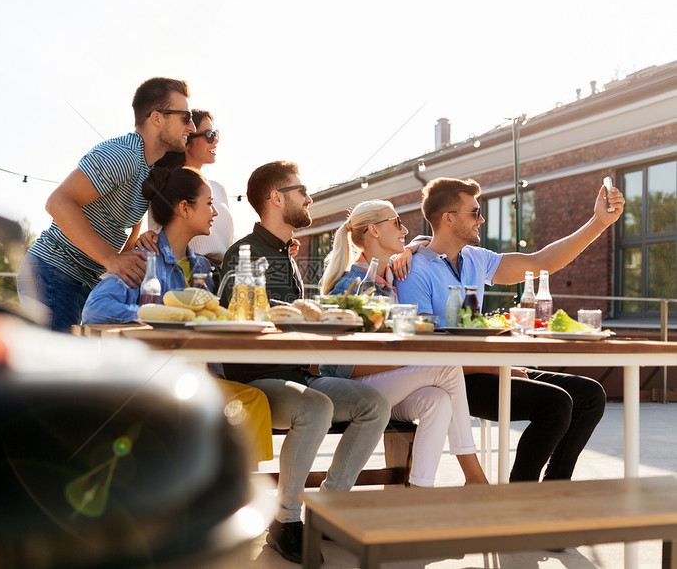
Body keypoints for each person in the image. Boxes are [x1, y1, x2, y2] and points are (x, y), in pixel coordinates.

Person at [396, 177, 625, 482]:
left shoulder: (476, 258)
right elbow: (425, 353)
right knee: (555, 405)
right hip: (455, 380)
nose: (482, 219)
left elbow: (541, 262)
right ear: (448, 219)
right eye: (474, 212)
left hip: (487, 369)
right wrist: (494, 368)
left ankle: (555, 488)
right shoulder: (413, 271)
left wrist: (599, 222)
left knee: (590, 394)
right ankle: (519, 495)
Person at [219, 161, 392, 564]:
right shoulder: (244, 253)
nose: (309, 198)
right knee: (316, 408)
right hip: (256, 381)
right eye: (302, 191)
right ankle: (287, 521)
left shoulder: (285, 255)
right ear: (275, 198)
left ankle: (328, 511)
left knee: (374, 404)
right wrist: (303, 310)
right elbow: (239, 315)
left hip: (297, 375)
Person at [81, 165, 273, 465]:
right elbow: (95, 308)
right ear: (184, 208)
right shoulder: (145, 258)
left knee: (253, 401)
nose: (215, 212)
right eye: (208, 203)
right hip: (151, 379)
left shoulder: (202, 268)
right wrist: (159, 314)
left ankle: (237, 491)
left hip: (196, 375)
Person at [318, 200, 488, 487]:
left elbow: (425, 241)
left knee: (438, 400)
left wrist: (411, 247)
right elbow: (337, 366)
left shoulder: (389, 280)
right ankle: (474, 477)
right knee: (446, 365)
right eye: (396, 223)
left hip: (384, 389)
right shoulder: (351, 285)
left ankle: (419, 493)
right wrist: (410, 358)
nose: (404, 229)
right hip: (350, 392)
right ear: (373, 230)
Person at [17, 77, 196, 332]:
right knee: (54, 369)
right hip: (53, 271)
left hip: (82, 279)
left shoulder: (150, 168)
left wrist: (136, 244)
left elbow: (129, 227)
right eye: (185, 117)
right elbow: (58, 202)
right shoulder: (123, 155)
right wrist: (111, 259)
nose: (190, 126)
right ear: (157, 118)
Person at [141, 110, 234, 288]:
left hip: (220, 278)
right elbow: (160, 234)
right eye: (209, 135)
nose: (215, 140)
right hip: (187, 275)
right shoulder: (166, 185)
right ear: (187, 140)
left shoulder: (219, 189)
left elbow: (229, 243)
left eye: (216, 134)